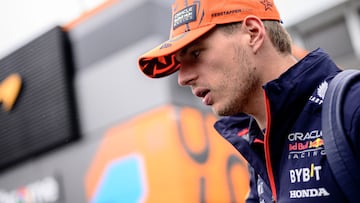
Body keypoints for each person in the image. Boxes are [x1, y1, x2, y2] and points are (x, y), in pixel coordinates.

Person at [137, 0, 360, 202]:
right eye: (178, 63)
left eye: (196, 53)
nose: (183, 78)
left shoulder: (351, 106)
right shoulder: (259, 145)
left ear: (253, 33)